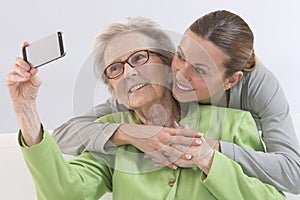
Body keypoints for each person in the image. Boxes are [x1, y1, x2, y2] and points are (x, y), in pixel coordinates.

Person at [7, 17, 286, 200]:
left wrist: (209, 159)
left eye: (139, 58)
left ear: (168, 65)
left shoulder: (234, 123)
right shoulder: (110, 133)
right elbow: (65, 193)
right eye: (115, 68)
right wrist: (26, 110)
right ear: (112, 87)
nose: (128, 73)